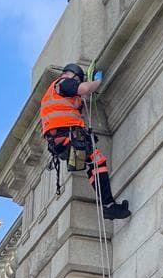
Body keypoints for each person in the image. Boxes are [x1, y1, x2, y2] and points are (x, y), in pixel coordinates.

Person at [40, 63, 130, 220]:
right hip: (67, 136)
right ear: (73, 76)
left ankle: (108, 205)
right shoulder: (63, 83)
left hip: (61, 140)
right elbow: (85, 89)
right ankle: (108, 206)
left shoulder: (55, 95)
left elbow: (75, 104)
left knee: (92, 164)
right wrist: (96, 82)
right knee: (97, 161)